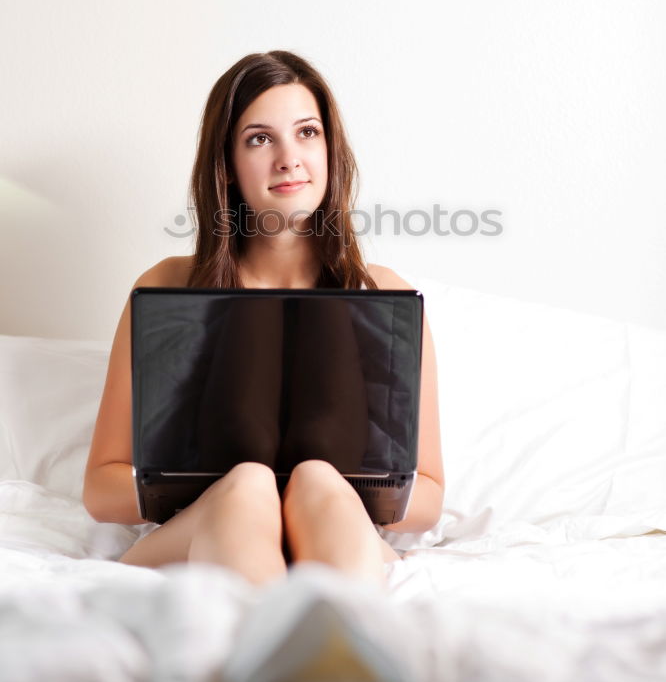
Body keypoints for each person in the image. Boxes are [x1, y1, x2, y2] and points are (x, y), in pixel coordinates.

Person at [83, 51, 444, 587]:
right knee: (248, 485)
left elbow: (428, 496)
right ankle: (286, 639)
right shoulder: (167, 286)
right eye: (259, 138)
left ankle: (320, 643)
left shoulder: (382, 294)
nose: (289, 158)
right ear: (226, 165)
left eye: (307, 132)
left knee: (319, 481)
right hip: (204, 525)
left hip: (332, 523)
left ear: (330, 150)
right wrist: (243, 493)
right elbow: (101, 489)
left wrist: (306, 491)